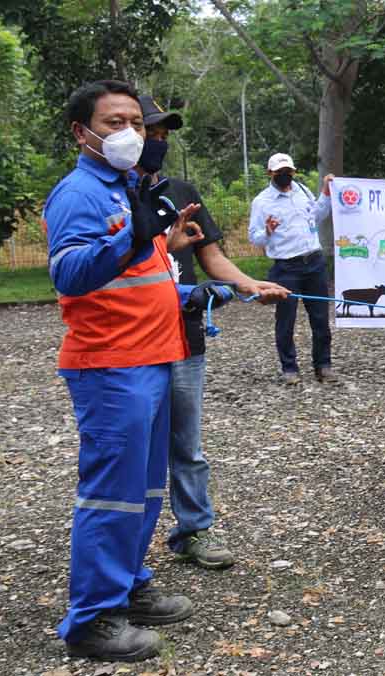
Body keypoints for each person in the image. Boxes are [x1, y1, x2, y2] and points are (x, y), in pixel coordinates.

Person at [45, 80, 238, 661]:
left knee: (145, 490)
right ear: (82, 134)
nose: (131, 132)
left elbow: (145, 281)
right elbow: (69, 274)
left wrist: (187, 268)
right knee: (112, 495)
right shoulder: (79, 193)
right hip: (111, 366)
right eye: (114, 123)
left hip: (154, 359)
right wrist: (137, 234)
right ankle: (92, 619)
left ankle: (127, 585)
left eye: (135, 120)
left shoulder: (132, 190)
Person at [135, 95, 290, 569]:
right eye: (149, 132)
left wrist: (248, 285)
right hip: (133, 340)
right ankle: (127, 547)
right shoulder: (114, 195)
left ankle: (194, 530)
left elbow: (211, 258)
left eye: (163, 134)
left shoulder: (184, 192)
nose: (157, 141)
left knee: (187, 444)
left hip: (185, 336)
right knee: (134, 448)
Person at [248, 153, 336, 385]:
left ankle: (323, 365)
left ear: (294, 171)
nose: (285, 175)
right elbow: (254, 238)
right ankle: (289, 368)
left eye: (288, 171)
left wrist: (326, 192)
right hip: (286, 268)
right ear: (270, 174)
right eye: (279, 172)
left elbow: (316, 216)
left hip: (314, 262)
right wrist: (267, 231)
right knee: (286, 321)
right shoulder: (262, 202)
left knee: (320, 319)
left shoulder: (303, 192)